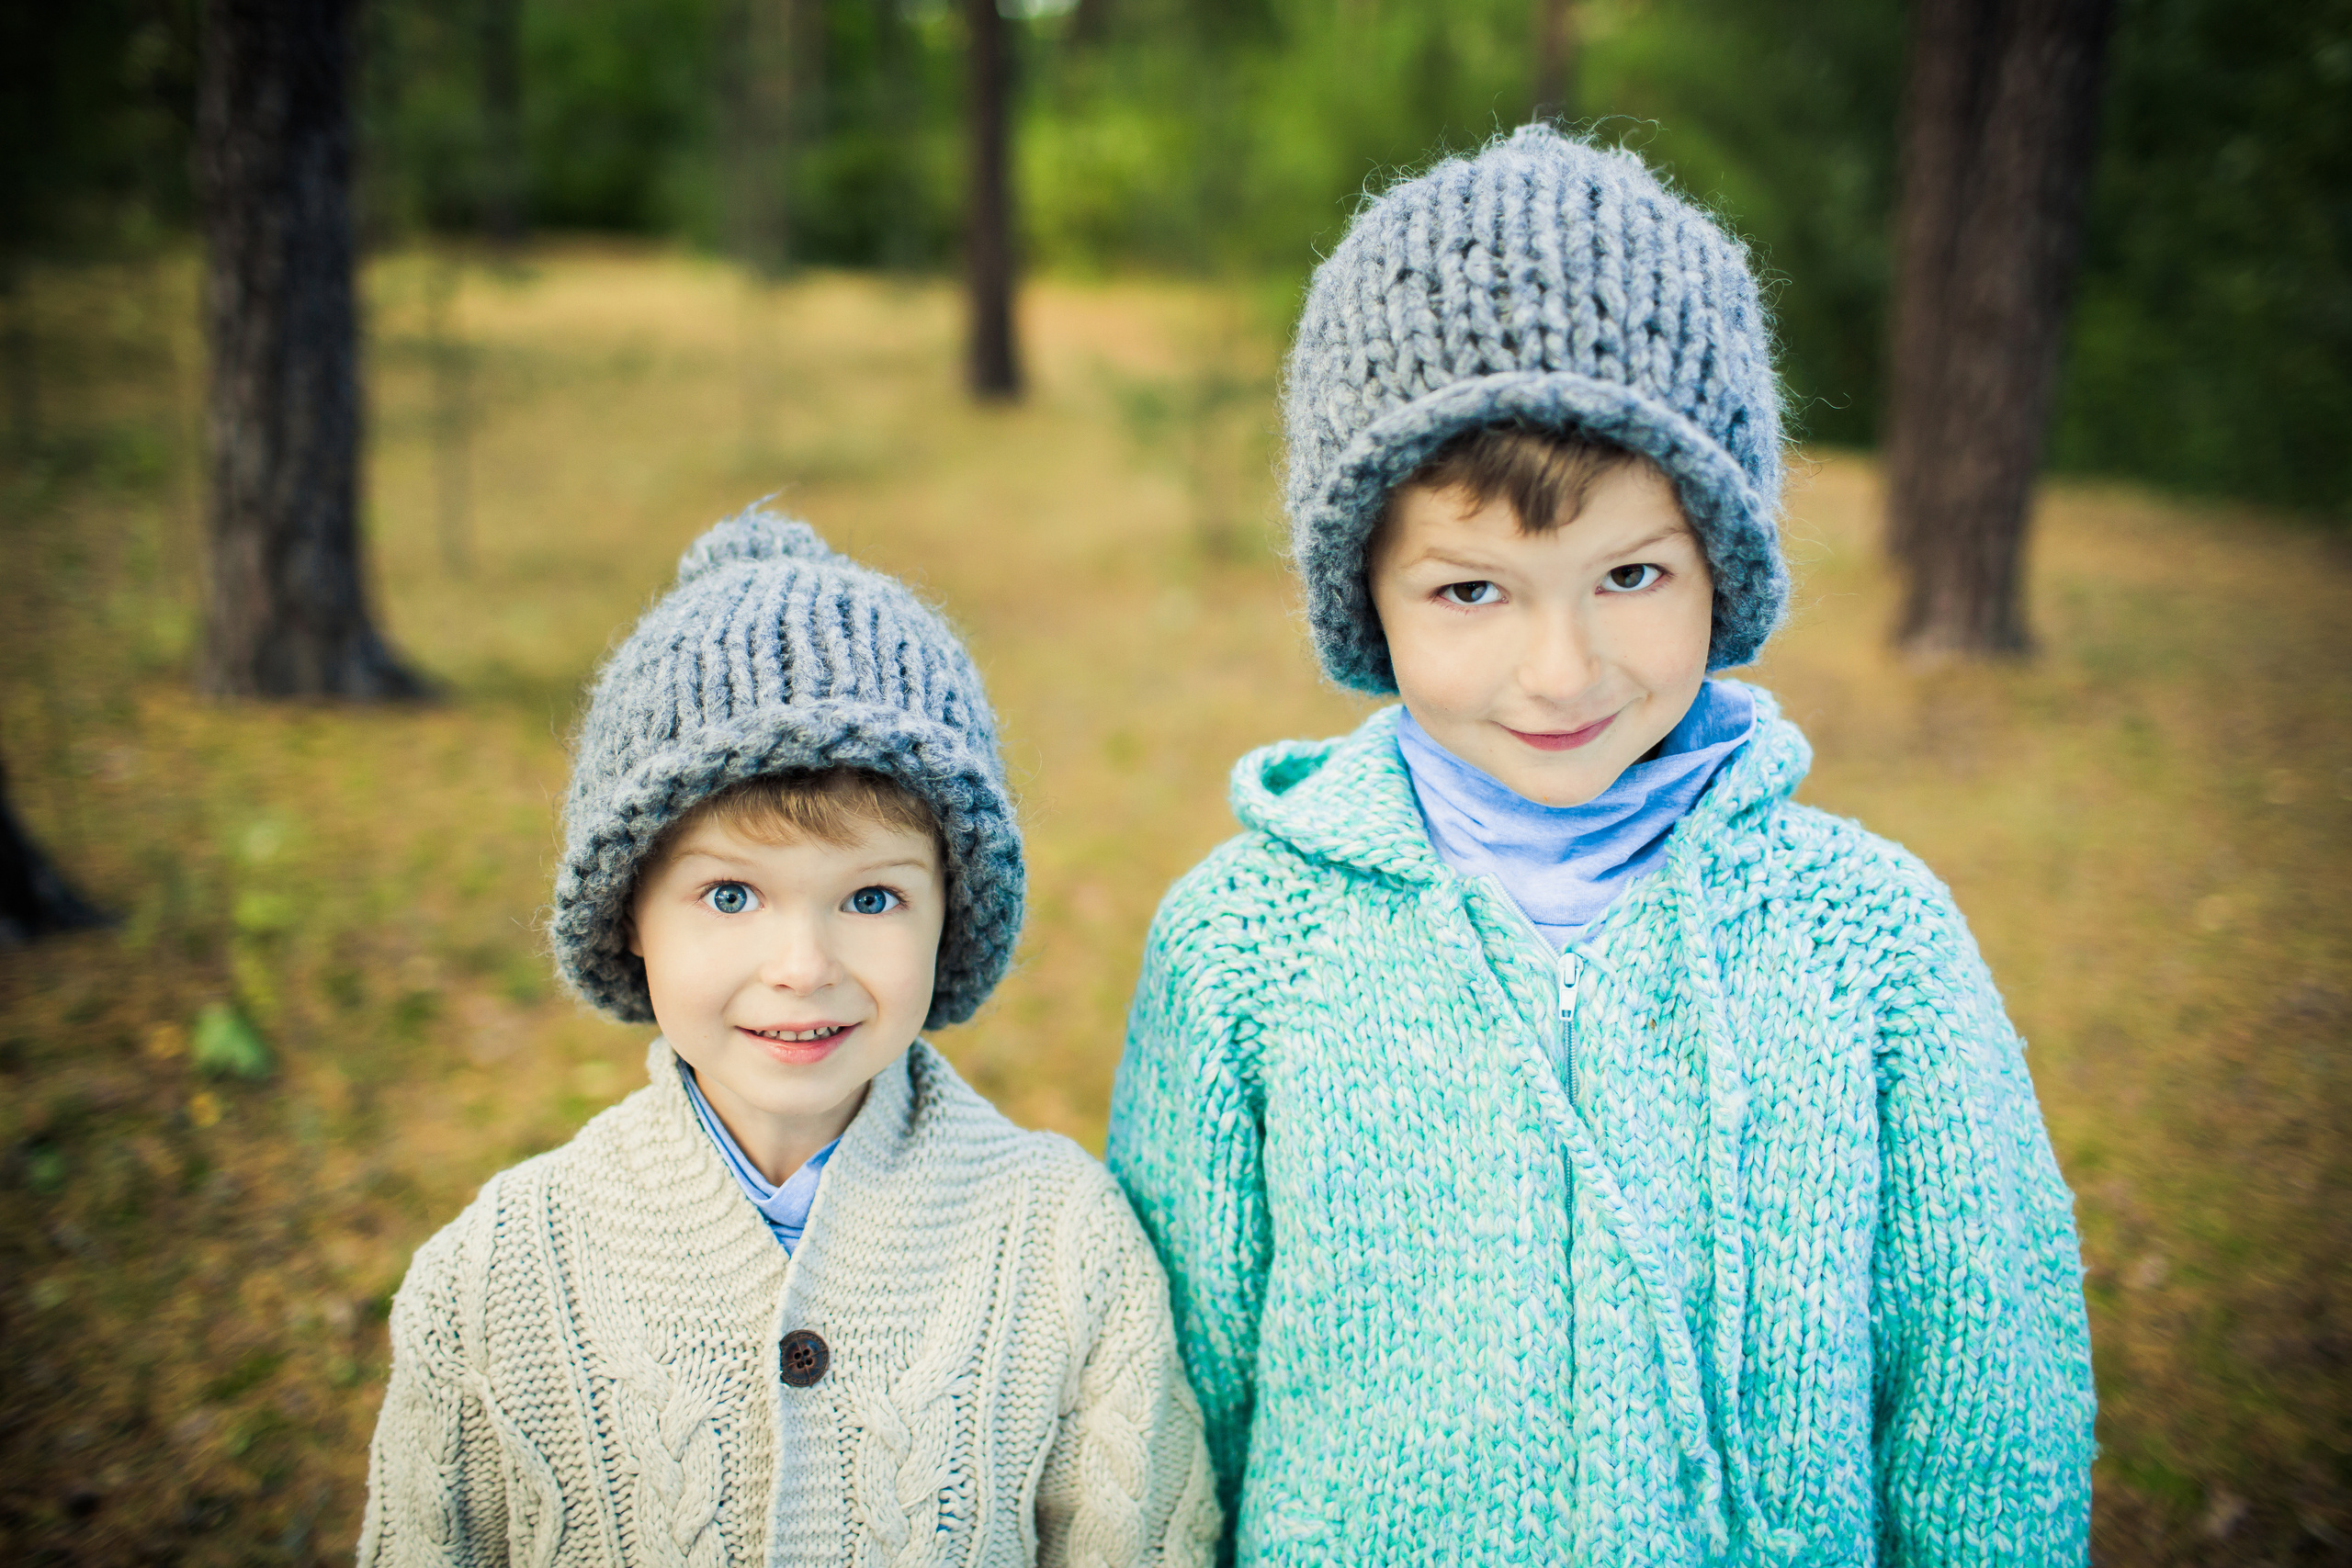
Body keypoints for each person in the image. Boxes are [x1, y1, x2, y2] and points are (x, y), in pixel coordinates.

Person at [1107, 126, 2094, 1564]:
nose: (1562, 670)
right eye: (1471, 591)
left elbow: (1984, 1396)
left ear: (1723, 566)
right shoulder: (1243, 947)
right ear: (1364, 595)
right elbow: (1170, 1423)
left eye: (1631, 574)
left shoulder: (1872, 937)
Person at [361, 509, 1219, 1566]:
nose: (803, 965)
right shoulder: (493, 1281)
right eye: (730, 894)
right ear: (629, 914)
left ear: (952, 908)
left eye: (870, 898)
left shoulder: (1066, 1248)